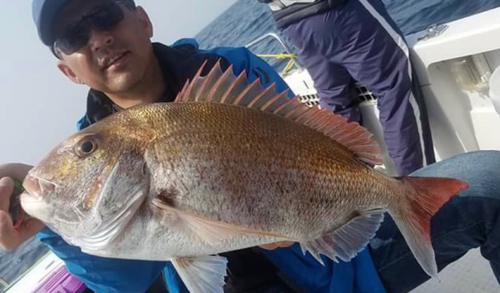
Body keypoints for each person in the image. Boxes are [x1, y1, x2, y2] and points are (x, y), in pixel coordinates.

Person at [1, 1, 500, 293]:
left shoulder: (233, 69)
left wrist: (302, 214)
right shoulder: (90, 161)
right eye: (73, 35)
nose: (98, 38)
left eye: (105, 13)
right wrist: (50, 224)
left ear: (143, 19)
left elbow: (307, 139)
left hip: (336, 270)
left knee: (491, 182)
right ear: (68, 69)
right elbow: (125, 284)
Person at [257, 0, 436, 176]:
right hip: (341, 10)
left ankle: (354, 190)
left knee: (336, 104)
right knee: (392, 86)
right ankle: (418, 184)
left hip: (292, 24)